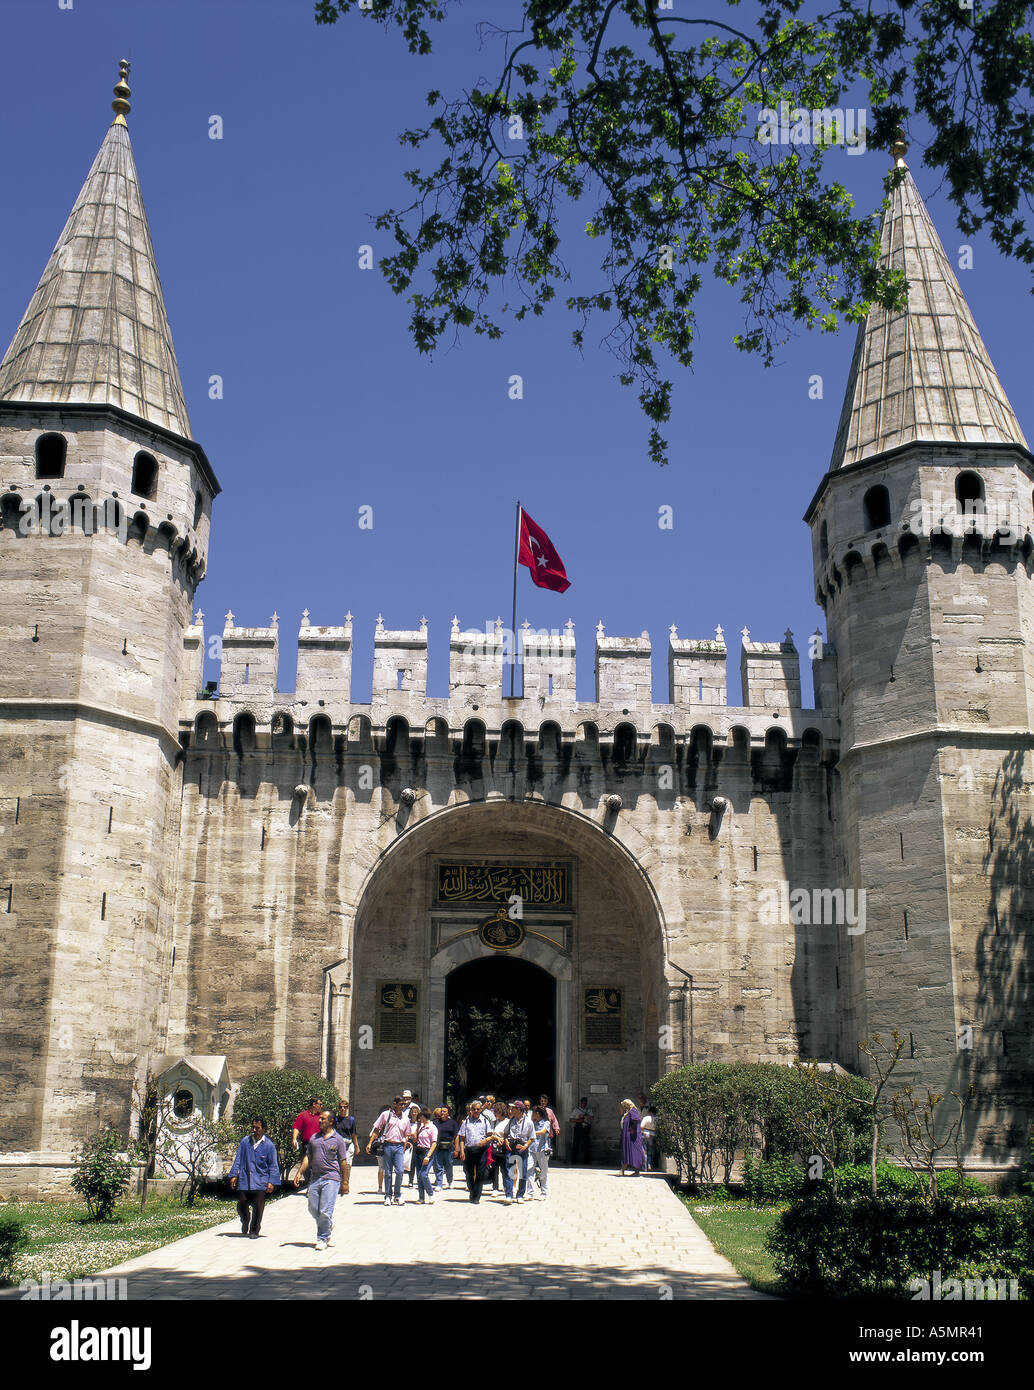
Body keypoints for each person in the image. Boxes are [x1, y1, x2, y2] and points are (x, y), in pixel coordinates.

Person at [293, 1109, 349, 1251]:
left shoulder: (338, 1140)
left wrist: (345, 1182)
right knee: (312, 1208)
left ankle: (322, 1238)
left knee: (325, 1210)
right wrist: (299, 1172)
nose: (320, 1121)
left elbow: (343, 1161)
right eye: (320, 1119)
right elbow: (308, 1157)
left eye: (323, 1119)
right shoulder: (314, 1138)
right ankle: (327, 1223)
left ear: (331, 1122)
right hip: (315, 1178)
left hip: (331, 1178)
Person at [228, 1116, 281, 1238]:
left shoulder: (269, 1145)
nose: (254, 1130)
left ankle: (254, 1230)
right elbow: (238, 1159)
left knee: (258, 1206)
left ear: (264, 1129)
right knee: (242, 1204)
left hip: (261, 1181)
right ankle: (245, 1220)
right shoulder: (245, 1142)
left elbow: (273, 1165)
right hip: (245, 1180)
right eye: (253, 1127)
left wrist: (271, 1182)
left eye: (257, 1128)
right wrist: (233, 1175)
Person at [367, 1096, 413, 1206]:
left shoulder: (406, 1119)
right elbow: (377, 1129)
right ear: (395, 1104)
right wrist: (370, 1143)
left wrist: (405, 1144)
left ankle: (397, 1195)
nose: (402, 1106)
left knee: (400, 1171)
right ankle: (388, 1195)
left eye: (404, 1104)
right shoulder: (386, 1115)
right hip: (387, 1145)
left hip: (399, 1147)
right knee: (387, 1172)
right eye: (400, 1104)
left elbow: (407, 1134)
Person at [455, 1100, 493, 1204]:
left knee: (480, 1173)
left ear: (481, 1110)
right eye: (474, 1109)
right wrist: (461, 1150)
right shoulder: (466, 1121)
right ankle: (472, 1192)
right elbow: (462, 1138)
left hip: (481, 1150)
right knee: (469, 1173)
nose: (476, 1111)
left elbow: (490, 1136)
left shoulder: (485, 1121)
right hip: (469, 1150)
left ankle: (477, 1196)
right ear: (471, 1110)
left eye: (478, 1109)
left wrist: (485, 1141)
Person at [503, 1100, 535, 1205]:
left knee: (522, 1172)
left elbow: (532, 1137)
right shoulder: (511, 1121)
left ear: (519, 1110)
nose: (511, 1110)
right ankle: (508, 1194)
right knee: (510, 1171)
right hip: (511, 1148)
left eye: (513, 1108)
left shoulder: (529, 1122)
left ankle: (520, 1194)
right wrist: (506, 1141)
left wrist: (525, 1146)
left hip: (522, 1148)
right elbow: (505, 1133)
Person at [291, 1096, 323, 1178]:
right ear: (313, 1104)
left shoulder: (322, 1117)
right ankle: (309, 1185)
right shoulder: (303, 1115)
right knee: (307, 1169)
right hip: (307, 1145)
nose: (321, 1106)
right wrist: (294, 1139)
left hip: (319, 1145)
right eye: (320, 1104)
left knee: (318, 1167)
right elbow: (297, 1127)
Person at [333, 1098, 358, 1194]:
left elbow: (353, 1134)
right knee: (338, 1165)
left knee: (347, 1165)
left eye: (345, 1107)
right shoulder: (336, 1120)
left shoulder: (351, 1120)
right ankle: (338, 1185)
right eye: (341, 1107)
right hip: (338, 1145)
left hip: (348, 1144)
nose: (343, 1109)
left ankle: (345, 1184)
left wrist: (357, 1146)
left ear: (347, 1108)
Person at [413, 1108, 438, 1204]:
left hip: (427, 1151)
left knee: (423, 1174)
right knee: (419, 1175)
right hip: (419, 1150)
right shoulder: (421, 1127)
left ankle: (431, 1194)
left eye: (420, 1117)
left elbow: (434, 1143)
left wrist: (428, 1156)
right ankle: (421, 1197)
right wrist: (417, 1127)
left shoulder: (432, 1128)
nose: (419, 1119)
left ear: (423, 1117)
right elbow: (415, 1139)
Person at [432, 1105, 458, 1191]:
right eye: (441, 1111)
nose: (442, 1113)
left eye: (444, 1111)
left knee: (449, 1165)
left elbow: (456, 1136)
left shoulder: (453, 1123)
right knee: (438, 1166)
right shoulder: (435, 1122)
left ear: (448, 1113)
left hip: (449, 1147)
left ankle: (450, 1181)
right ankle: (439, 1183)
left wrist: (456, 1149)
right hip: (438, 1147)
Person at [488, 1101, 509, 1193]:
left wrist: (503, 1139)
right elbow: (490, 1133)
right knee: (494, 1168)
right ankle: (495, 1188)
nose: (495, 1113)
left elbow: (509, 1135)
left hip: (504, 1147)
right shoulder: (493, 1122)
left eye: (496, 1111)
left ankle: (506, 1186)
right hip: (494, 1146)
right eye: (494, 1111)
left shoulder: (508, 1122)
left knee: (504, 1169)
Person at [530, 1105, 551, 1200]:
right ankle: (530, 1193)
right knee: (529, 1169)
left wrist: (531, 1132)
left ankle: (544, 1192)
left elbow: (543, 1132)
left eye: (533, 1113)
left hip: (542, 1149)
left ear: (537, 1114)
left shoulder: (546, 1123)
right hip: (532, 1148)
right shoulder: (532, 1123)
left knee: (544, 1171)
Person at [620, 1099, 645, 1176]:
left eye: (624, 1105)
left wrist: (631, 1130)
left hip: (633, 1137)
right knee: (626, 1152)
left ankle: (636, 1171)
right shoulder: (628, 1113)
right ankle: (623, 1170)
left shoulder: (633, 1111)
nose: (623, 1107)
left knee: (635, 1152)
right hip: (628, 1136)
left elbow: (635, 1121)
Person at [570, 1096, 594, 1165]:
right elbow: (571, 1119)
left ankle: (586, 1161)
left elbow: (592, 1117)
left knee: (586, 1144)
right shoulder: (576, 1110)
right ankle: (574, 1161)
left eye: (585, 1103)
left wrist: (585, 1117)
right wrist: (578, 1119)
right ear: (580, 1103)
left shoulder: (589, 1110)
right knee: (576, 1144)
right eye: (582, 1103)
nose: (583, 1104)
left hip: (586, 1128)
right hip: (578, 1127)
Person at [406, 1103, 422, 1187]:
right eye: (412, 1112)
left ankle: (419, 1180)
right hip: (410, 1143)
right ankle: (410, 1180)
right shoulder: (407, 1122)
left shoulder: (420, 1123)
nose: (414, 1113)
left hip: (418, 1143)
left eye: (416, 1112)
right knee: (411, 1162)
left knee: (418, 1162)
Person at [641, 1104, 658, 1172]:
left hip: (645, 1133)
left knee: (644, 1150)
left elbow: (641, 1126)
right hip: (653, 1134)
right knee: (651, 1151)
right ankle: (650, 1164)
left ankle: (644, 1166)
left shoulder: (646, 1118)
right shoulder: (657, 1119)